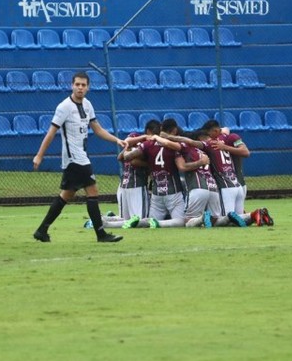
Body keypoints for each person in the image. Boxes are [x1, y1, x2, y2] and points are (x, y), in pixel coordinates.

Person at [32, 71, 126, 243]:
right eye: (77, 84)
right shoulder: (64, 107)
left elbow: (97, 129)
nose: (80, 88)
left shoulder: (88, 105)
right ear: (72, 85)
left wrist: (117, 140)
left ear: (88, 88)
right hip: (74, 159)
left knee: (66, 195)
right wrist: (39, 155)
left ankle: (42, 230)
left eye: (83, 85)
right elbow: (51, 133)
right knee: (93, 190)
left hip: (80, 157)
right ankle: (101, 234)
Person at [122, 118, 186, 228]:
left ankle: (108, 222)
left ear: (161, 128)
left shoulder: (148, 144)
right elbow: (182, 167)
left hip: (157, 194)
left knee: (148, 221)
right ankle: (159, 223)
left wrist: (129, 151)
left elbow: (128, 157)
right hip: (173, 192)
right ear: (175, 131)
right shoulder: (174, 146)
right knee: (180, 222)